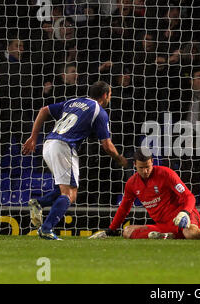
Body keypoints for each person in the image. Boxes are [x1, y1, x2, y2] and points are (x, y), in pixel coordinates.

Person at [22, 81, 128, 240]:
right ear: (105, 95)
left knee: (64, 188)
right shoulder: (99, 111)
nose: (109, 98)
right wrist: (119, 158)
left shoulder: (74, 102)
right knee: (70, 194)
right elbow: (107, 145)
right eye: (110, 95)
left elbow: (44, 110)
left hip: (49, 144)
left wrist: (33, 137)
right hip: (64, 147)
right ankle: (46, 228)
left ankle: (39, 203)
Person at [89, 147, 200, 240]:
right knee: (127, 231)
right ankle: (161, 236)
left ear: (152, 162)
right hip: (163, 226)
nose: (145, 171)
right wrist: (111, 229)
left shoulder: (166, 174)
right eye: (141, 168)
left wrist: (185, 212)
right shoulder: (131, 184)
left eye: (148, 167)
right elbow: (124, 208)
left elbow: (189, 196)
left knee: (192, 234)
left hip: (183, 217)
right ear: (135, 165)